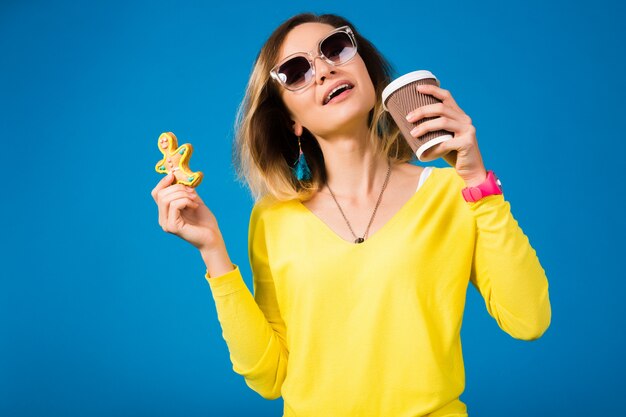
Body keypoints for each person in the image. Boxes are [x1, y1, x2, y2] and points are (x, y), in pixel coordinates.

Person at [151, 12, 551, 417]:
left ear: (368, 70)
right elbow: (270, 378)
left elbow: (528, 319)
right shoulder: (273, 217)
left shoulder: (453, 193)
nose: (324, 70)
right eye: (296, 71)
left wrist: (476, 179)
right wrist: (213, 252)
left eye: (336, 49)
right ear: (291, 121)